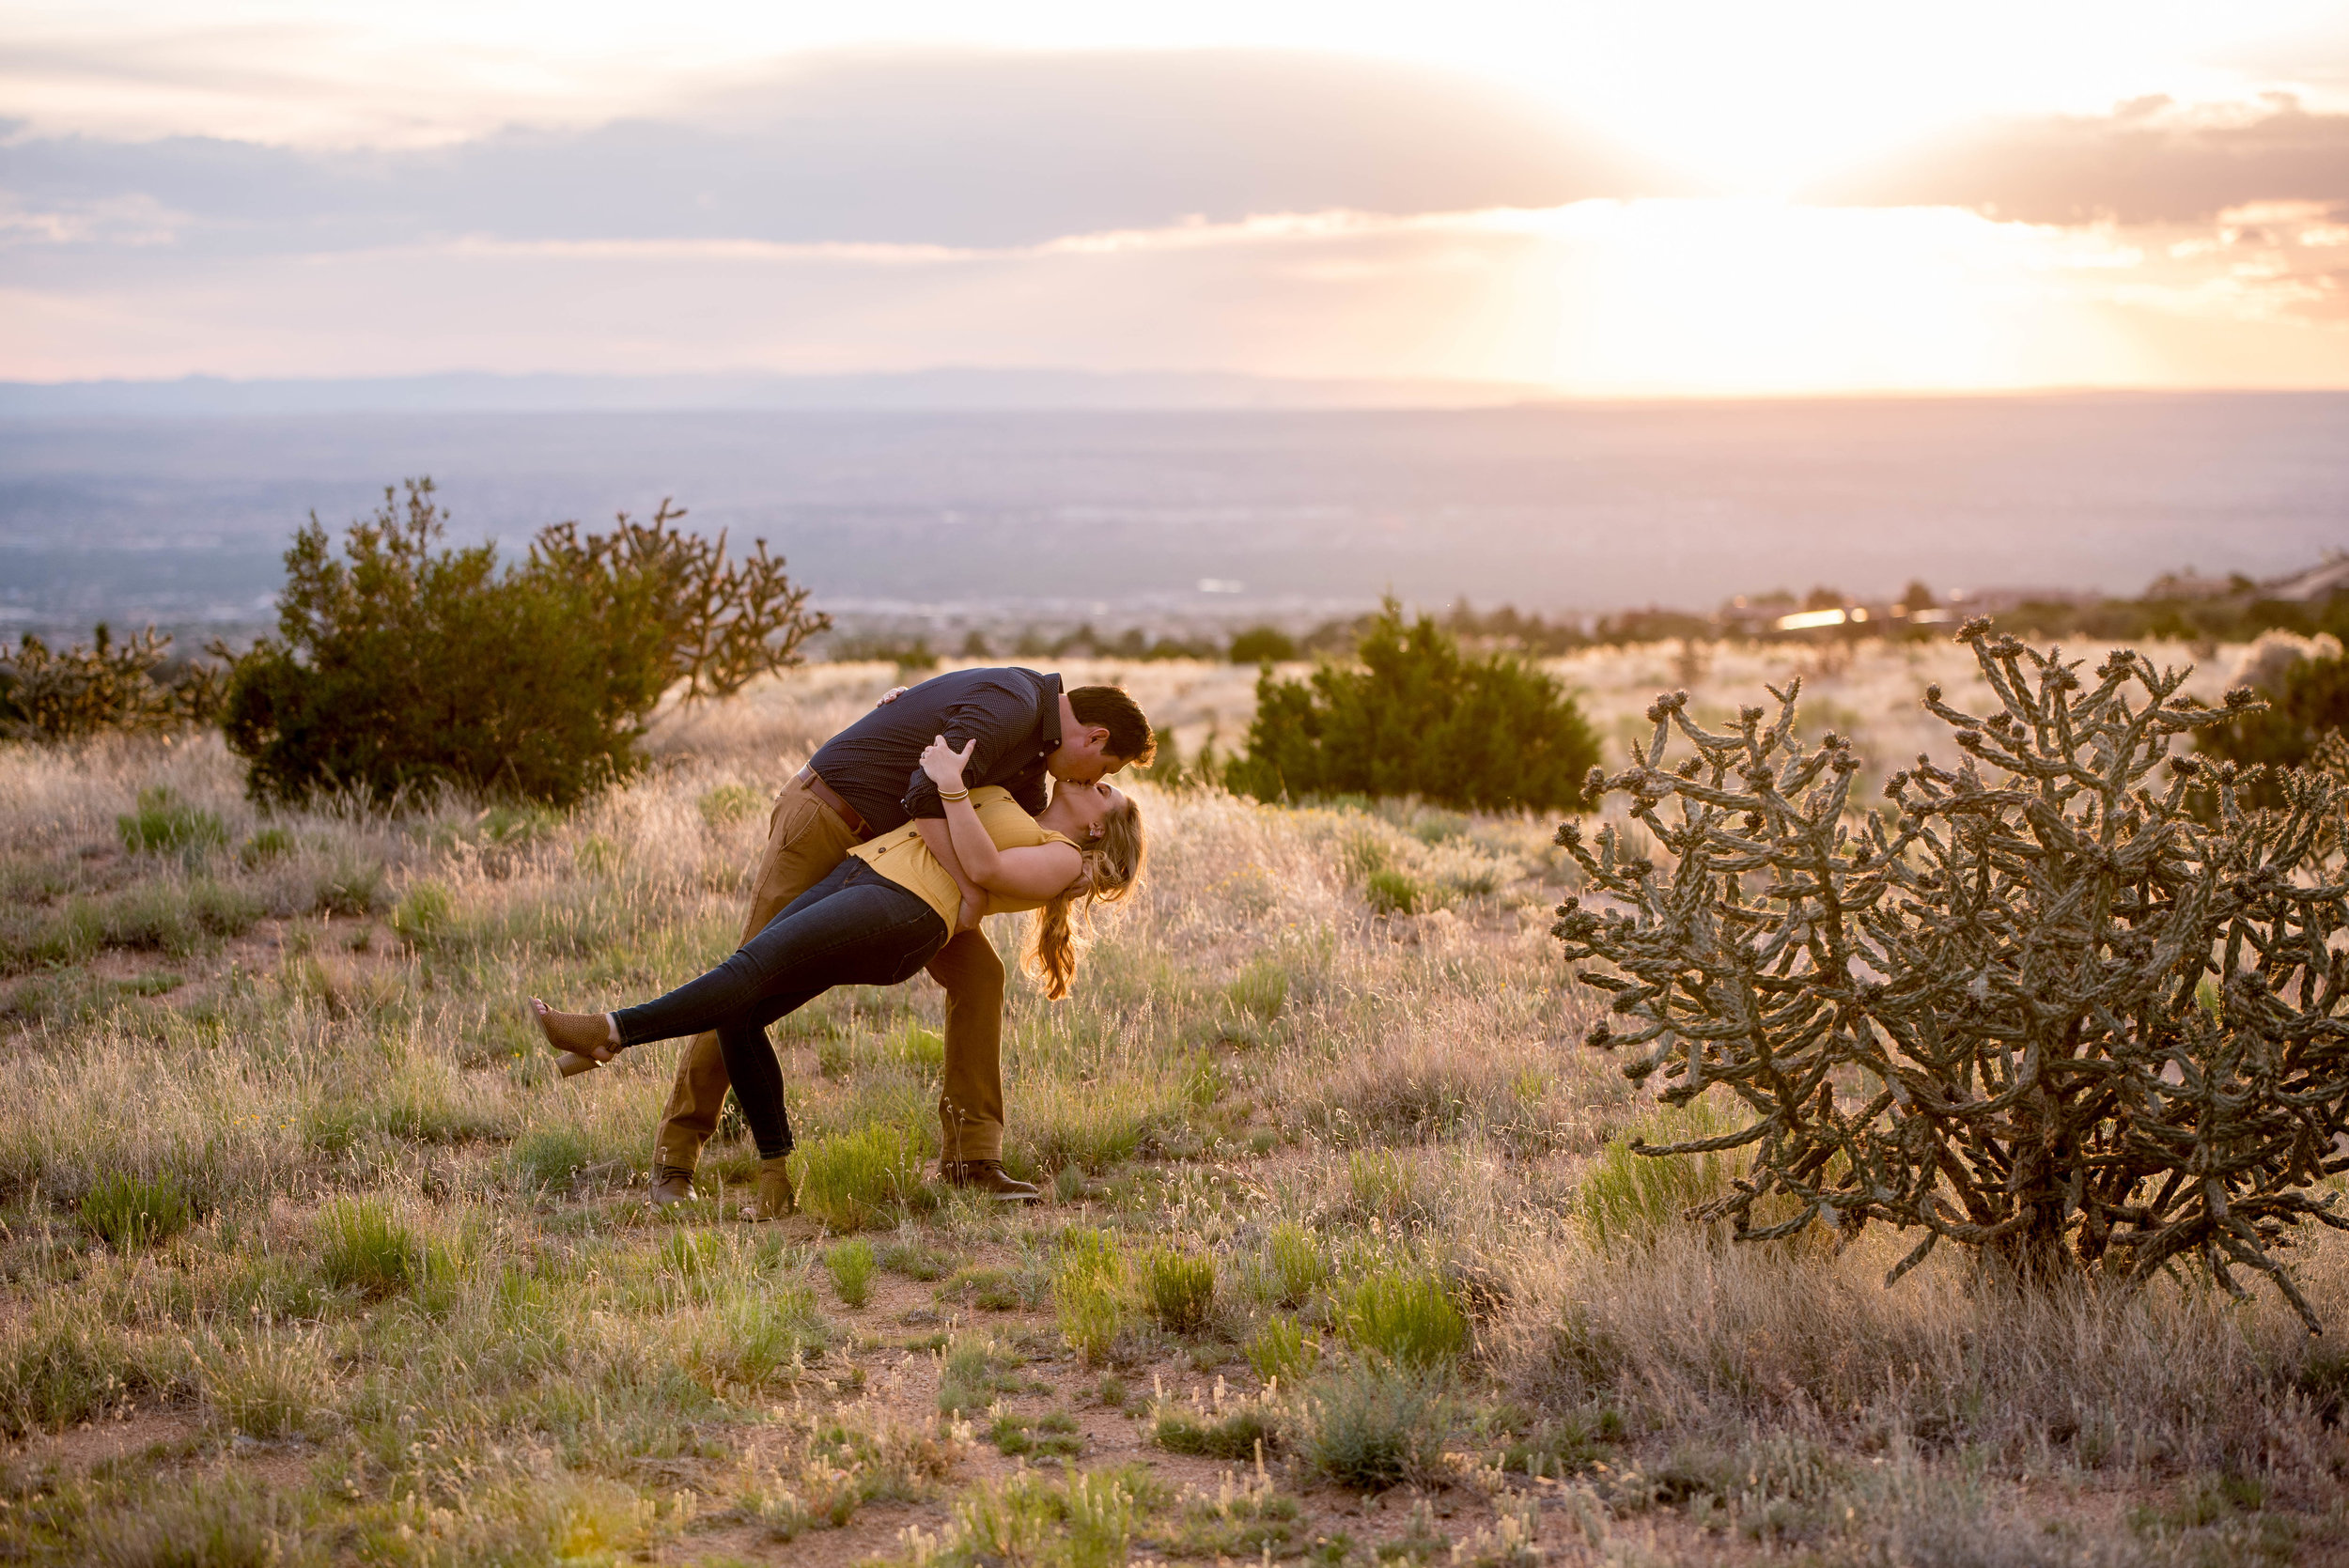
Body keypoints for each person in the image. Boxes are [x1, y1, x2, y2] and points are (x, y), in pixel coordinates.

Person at [532, 736, 1144, 1219]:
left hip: (902, 910)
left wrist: (953, 788)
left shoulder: (1061, 856)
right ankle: (775, 1175)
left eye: (1106, 792)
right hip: (862, 873)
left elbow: (982, 868)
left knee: (747, 968)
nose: (1098, 783)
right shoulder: (1024, 796)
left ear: (1096, 828)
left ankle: (610, 1031)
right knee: (741, 1009)